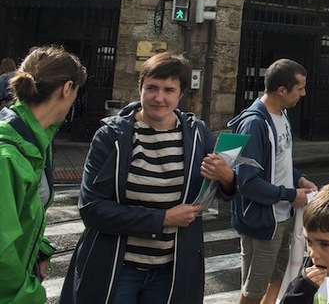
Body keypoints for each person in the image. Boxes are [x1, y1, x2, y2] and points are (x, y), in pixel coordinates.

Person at [60, 52, 235, 304]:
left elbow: (218, 190)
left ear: (181, 94)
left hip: (171, 271)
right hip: (118, 267)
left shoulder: (198, 134)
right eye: (151, 87)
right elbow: (92, 208)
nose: (159, 97)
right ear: (140, 88)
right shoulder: (110, 137)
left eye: (168, 90)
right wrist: (162, 219)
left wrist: (227, 177)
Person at [0, 45, 86, 304]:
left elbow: (23, 215)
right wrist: (29, 294)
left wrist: (38, 250)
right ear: (67, 89)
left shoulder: (33, 139)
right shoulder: (9, 155)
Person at [229, 58, 318, 304]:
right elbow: (246, 182)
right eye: (299, 88)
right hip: (262, 222)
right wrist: (291, 195)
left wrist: (299, 179)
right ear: (281, 90)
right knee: (254, 289)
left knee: (277, 276)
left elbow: (280, 160)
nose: (303, 93)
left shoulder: (282, 114)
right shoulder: (254, 124)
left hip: (281, 217)